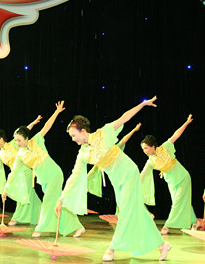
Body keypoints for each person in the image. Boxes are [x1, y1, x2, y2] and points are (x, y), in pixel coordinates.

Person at [57, 97, 171, 261]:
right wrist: (62, 199)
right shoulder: (83, 154)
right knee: (137, 212)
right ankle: (162, 245)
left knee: (125, 213)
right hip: (118, 182)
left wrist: (143, 104)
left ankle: (112, 248)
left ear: (82, 131)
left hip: (129, 173)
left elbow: (124, 118)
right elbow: (74, 176)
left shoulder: (103, 133)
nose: (73, 139)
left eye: (74, 135)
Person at [3, 101, 84, 238]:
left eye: (19, 140)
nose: (17, 143)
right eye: (15, 140)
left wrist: (57, 112)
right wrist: (6, 188)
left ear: (27, 138)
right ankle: (78, 227)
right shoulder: (20, 155)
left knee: (47, 202)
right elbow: (14, 172)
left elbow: (47, 125)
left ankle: (40, 228)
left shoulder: (37, 140)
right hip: (44, 180)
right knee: (56, 203)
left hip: (54, 174)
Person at [139, 114, 198, 234]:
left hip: (182, 177)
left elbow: (176, 135)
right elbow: (143, 174)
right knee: (181, 202)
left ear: (153, 146)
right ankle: (195, 222)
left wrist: (187, 122)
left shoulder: (165, 147)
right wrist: (133, 184)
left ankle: (168, 225)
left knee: (177, 203)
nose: (145, 151)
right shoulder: (150, 162)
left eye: (146, 148)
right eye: (143, 149)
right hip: (171, 182)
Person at [0, 118, 43, 226]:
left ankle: (16, 217)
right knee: (31, 197)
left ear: (1, 139)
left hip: (25, 171)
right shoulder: (0, 154)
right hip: (15, 175)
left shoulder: (13, 144)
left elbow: (24, 131)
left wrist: (33, 123)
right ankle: (44, 214)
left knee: (23, 194)